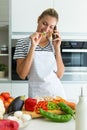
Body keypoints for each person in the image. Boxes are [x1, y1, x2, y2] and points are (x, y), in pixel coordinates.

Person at [13, 8, 66, 98]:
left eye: (51, 27)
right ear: (38, 20)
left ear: (54, 29)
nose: (46, 29)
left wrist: (57, 48)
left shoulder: (54, 44)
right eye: (44, 23)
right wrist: (33, 46)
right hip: (36, 96)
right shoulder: (22, 43)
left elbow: (59, 75)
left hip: (56, 95)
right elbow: (22, 74)